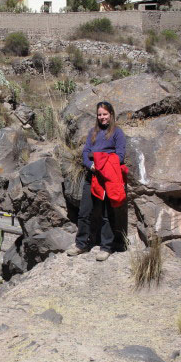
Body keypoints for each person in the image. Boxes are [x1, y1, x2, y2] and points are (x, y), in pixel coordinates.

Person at [66, 101, 127, 261]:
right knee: (84, 212)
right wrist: (91, 164)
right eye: (100, 114)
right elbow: (86, 152)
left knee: (107, 214)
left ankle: (106, 247)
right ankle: (81, 244)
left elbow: (120, 156)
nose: (102, 117)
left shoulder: (117, 133)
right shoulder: (93, 132)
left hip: (107, 177)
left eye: (105, 114)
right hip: (92, 175)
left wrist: (102, 163)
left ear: (111, 115)